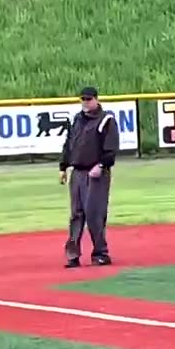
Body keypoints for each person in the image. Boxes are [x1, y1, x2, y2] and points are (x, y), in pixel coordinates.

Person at [59, 86, 119, 267]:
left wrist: (101, 165)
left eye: (88, 99)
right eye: (83, 99)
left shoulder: (106, 120)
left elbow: (111, 147)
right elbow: (69, 143)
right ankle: (73, 255)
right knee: (76, 214)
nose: (85, 103)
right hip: (77, 172)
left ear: (96, 100)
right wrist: (63, 166)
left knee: (95, 213)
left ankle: (100, 253)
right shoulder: (77, 119)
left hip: (96, 174)